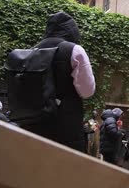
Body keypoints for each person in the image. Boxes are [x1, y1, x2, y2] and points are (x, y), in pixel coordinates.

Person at [22, 11, 95, 151]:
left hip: (32, 124)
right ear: (72, 30)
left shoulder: (31, 51)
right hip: (65, 126)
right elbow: (87, 91)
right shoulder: (74, 50)